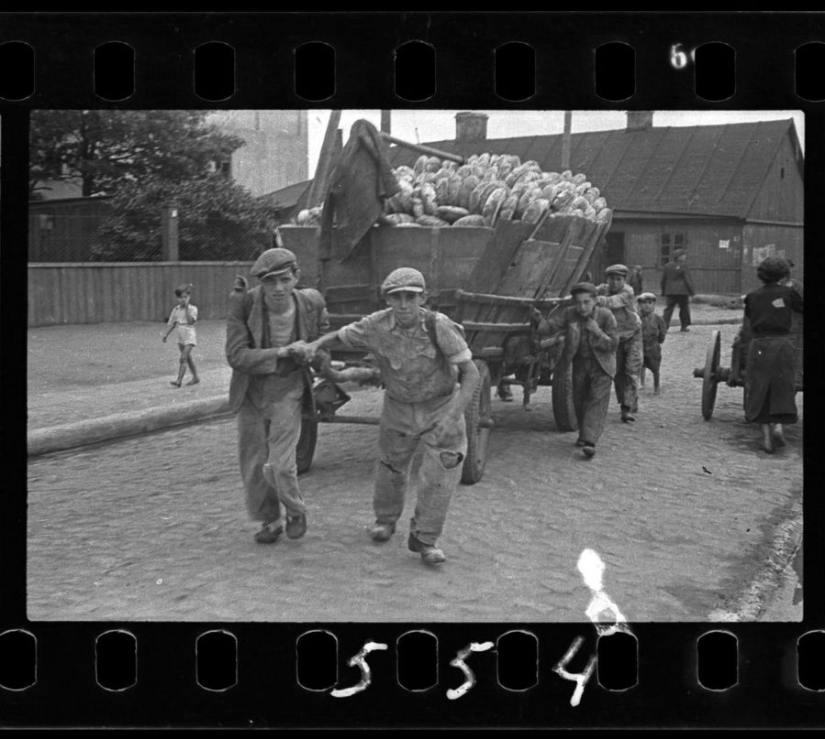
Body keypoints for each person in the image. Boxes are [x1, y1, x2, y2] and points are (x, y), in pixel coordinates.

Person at [301, 267, 479, 566]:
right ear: (387, 300)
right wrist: (315, 345)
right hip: (398, 407)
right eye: (396, 298)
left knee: (441, 474)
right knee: (390, 467)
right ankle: (385, 520)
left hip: (440, 407)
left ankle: (425, 539)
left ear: (423, 297)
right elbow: (341, 336)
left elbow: (471, 374)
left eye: (411, 297)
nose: (404, 304)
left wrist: (454, 416)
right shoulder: (375, 325)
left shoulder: (439, 325)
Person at [225, 248, 330, 544]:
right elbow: (236, 355)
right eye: (270, 282)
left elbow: (323, 344)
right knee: (255, 462)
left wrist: (316, 354)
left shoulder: (312, 303)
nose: (279, 288)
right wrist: (281, 352)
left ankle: (295, 510)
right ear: (261, 283)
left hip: (289, 389)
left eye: (285, 279)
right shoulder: (243, 304)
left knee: (282, 464)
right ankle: (270, 521)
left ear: (296, 276)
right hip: (252, 392)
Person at [536, 282, 619, 458]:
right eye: (578, 302)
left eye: (586, 302)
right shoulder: (569, 314)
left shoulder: (606, 316)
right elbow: (551, 327)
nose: (582, 307)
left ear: (595, 301)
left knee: (596, 400)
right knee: (579, 399)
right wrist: (538, 321)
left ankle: (590, 441)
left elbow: (613, 344)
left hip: (602, 365)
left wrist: (598, 332)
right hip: (579, 363)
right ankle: (585, 433)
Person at [742, 257, 803, 453]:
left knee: (759, 388)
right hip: (782, 344)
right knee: (783, 386)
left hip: (759, 345)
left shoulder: (752, 296)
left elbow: (750, 319)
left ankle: (766, 438)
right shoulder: (788, 293)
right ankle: (778, 426)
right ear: (785, 274)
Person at [596, 264, 643, 422]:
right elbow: (591, 291)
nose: (615, 282)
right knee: (617, 372)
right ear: (607, 279)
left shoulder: (627, 292)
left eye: (619, 279)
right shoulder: (603, 288)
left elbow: (611, 302)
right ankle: (627, 401)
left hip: (632, 335)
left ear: (624, 280)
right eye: (612, 279)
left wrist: (593, 299)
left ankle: (626, 408)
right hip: (615, 337)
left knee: (631, 370)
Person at [162, 283, 200, 387]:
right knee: (187, 358)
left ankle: (179, 380)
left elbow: (191, 321)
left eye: (185, 297)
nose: (182, 300)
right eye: (180, 297)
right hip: (181, 336)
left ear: (189, 297)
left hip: (189, 335)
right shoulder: (176, 310)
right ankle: (196, 377)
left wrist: (187, 308)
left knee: (183, 358)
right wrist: (166, 334)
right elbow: (173, 324)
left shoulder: (193, 309)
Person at [636, 292, 668, 393]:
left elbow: (663, 330)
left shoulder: (657, 318)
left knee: (655, 368)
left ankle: (656, 387)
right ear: (639, 305)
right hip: (640, 346)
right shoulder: (636, 318)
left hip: (653, 347)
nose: (647, 305)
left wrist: (660, 339)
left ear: (653, 305)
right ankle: (641, 383)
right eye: (644, 303)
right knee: (641, 365)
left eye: (650, 303)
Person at [660, 248, 696, 332]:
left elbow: (663, 280)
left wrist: (663, 292)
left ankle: (664, 326)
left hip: (670, 291)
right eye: (683, 255)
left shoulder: (667, 266)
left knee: (668, 309)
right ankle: (684, 326)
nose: (685, 257)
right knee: (684, 308)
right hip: (682, 292)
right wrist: (692, 292)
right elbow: (688, 280)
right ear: (679, 257)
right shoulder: (684, 266)